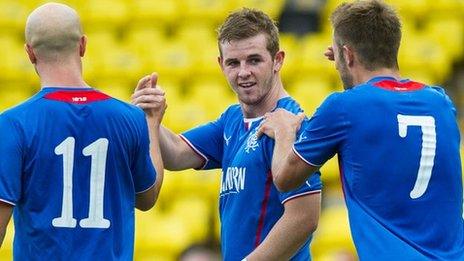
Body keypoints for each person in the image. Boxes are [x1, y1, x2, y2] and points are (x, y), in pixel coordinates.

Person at [258, 0, 464, 260]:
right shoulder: (442, 103)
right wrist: (350, 57)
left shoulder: (344, 108)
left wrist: (285, 130)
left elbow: (285, 178)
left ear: (346, 54)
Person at [132, 8, 322, 261]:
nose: (243, 72)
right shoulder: (232, 120)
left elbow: (304, 218)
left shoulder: (289, 124)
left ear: (277, 60)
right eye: (234, 62)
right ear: (221, 65)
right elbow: (176, 153)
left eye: (254, 60)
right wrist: (150, 117)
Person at [0, 3, 164, 260]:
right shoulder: (130, 118)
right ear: (83, 45)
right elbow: (147, 197)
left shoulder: (12, 123)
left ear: (30, 53)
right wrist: (151, 124)